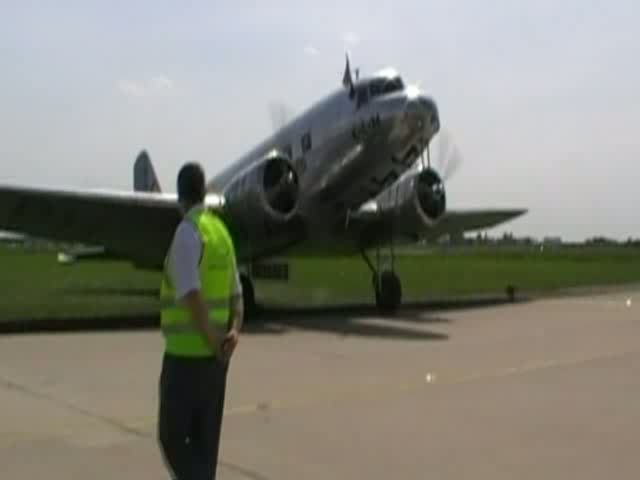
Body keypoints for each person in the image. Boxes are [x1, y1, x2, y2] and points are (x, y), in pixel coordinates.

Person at [157, 162, 243, 480]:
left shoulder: (187, 232)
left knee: (172, 439)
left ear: (180, 195)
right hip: (216, 364)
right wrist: (232, 334)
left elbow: (191, 295)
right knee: (206, 447)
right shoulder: (222, 235)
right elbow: (238, 297)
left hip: (184, 360)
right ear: (205, 192)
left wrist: (211, 340)